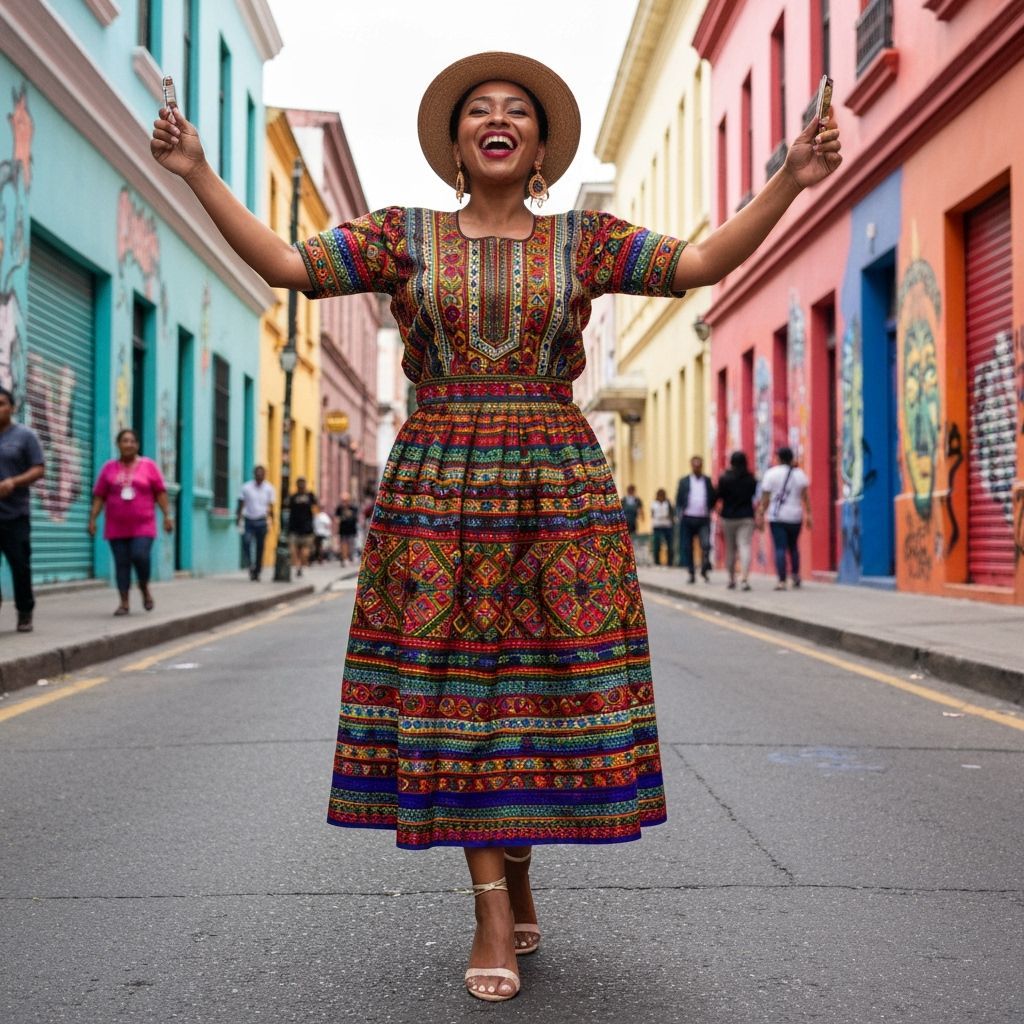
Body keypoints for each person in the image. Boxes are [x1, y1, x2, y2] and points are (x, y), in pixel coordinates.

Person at [151, 49, 841, 1002]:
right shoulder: (403, 234)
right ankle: (489, 905)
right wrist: (195, 172)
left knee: (538, 686)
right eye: (479, 109)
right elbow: (284, 264)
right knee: (457, 686)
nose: (497, 117)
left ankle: (516, 868)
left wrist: (789, 182)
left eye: (516, 108)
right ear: (458, 143)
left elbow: (700, 262)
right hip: (438, 489)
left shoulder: (585, 244)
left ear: (541, 143)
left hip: (557, 492)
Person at [88, 428, 173, 615]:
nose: (128, 444)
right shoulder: (109, 468)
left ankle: (143, 587)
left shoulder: (148, 466)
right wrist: (93, 518)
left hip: (143, 525)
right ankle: (124, 602)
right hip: (116, 526)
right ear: (118, 444)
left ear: (137, 445)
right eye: (124, 441)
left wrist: (167, 515)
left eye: (132, 441)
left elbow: (160, 492)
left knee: (140, 556)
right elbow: (100, 496)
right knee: (121, 563)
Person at [0, 387, 44, 632]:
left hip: (15, 515)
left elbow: (39, 468)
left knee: (19, 565)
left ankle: (25, 611)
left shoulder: (25, 436)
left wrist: (13, 482)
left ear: (12, 407)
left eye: (2, 404)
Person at [756, 446, 812, 590]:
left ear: (778, 458)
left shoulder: (771, 474)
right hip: (795, 516)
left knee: (780, 547)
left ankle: (781, 580)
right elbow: (805, 497)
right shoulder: (800, 474)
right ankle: (795, 575)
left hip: (777, 517)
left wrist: (761, 513)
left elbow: (765, 498)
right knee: (793, 547)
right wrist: (809, 514)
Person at [715, 451, 757, 591]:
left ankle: (731, 579)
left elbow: (717, 496)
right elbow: (753, 495)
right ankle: (744, 578)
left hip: (728, 517)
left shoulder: (725, 478)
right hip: (746, 516)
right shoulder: (751, 479)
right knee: (745, 546)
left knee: (730, 549)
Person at [675, 455, 716, 583]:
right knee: (688, 546)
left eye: (699, 465)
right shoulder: (684, 481)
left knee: (706, 545)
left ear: (702, 466)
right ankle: (691, 572)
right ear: (692, 466)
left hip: (703, 518)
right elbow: (679, 499)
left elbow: (712, 497)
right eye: (695, 465)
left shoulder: (707, 480)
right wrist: (679, 514)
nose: (697, 467)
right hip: (688, 518)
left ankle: (704, 567)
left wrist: (710, 508)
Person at [236, 466, 275, 581]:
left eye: (261, 474)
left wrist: (272, 520)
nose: (259, 476)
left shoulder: (269, 488)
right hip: (248, 520)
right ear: (254, 474)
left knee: (260, 547)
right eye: (257, 474)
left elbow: (271, 506)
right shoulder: (246, 487)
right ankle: (250, 565)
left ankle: (257, 570)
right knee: (246, 542)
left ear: (264, 475)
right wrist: (238, 518)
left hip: (262, 520)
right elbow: (241, 503)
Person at [286, 477, 317, 578]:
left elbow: (316, 508)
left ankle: (301, 566)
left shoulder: (310, 496)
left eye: (303, 484)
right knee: (293, 550)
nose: (301, 486)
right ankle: (298, 567)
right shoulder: (293, 497)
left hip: (307, 529)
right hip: (294, 528)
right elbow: (287, 509)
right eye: (299, 484)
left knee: (305, 552)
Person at [649, 487, 674, 567]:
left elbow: (671, 514)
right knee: (657, 545)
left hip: (667, 526)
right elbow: (652, 514)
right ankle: (657, 561)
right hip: (657, 526)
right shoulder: (654, 503)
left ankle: (670, 562)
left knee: (670, 545)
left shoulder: (668, 503)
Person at [334, 492, 359, 564]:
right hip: (343, 529)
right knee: (343, 543)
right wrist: (338, 520)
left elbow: (356, 517)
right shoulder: (339, 508)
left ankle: (351, 557)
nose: (344, 502)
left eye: (346, 500)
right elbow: (336, 518)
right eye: (343, 501)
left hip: (351, 528)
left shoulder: (353, 507)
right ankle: (345, 558)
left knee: (351, 544)